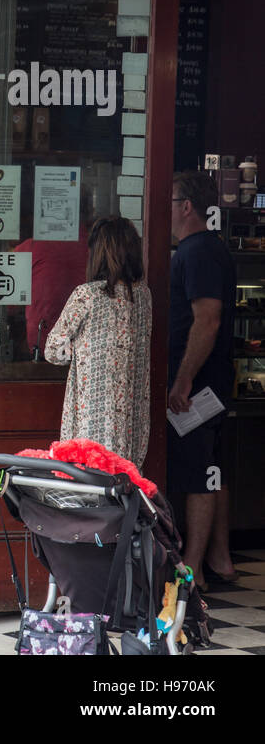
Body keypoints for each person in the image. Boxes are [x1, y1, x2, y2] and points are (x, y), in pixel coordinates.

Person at [168, 170, 238, 588]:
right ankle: (219, 558)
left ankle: (190, 571)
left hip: (199, 388)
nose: (166, 210)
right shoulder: (208, 250)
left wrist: (182, 381)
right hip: (209, 383)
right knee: (212, 470)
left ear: (186, 206)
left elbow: (207, 321)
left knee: (197, 474)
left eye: (170, 201)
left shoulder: (195, 252)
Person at [43, 216, 152, 466]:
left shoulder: (87, 295)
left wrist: (75, 349)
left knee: (92, 483)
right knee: (125, 481)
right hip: (132, 419)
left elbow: (52, 350)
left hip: (93, 417)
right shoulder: (144, 296)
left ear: (97, 254)